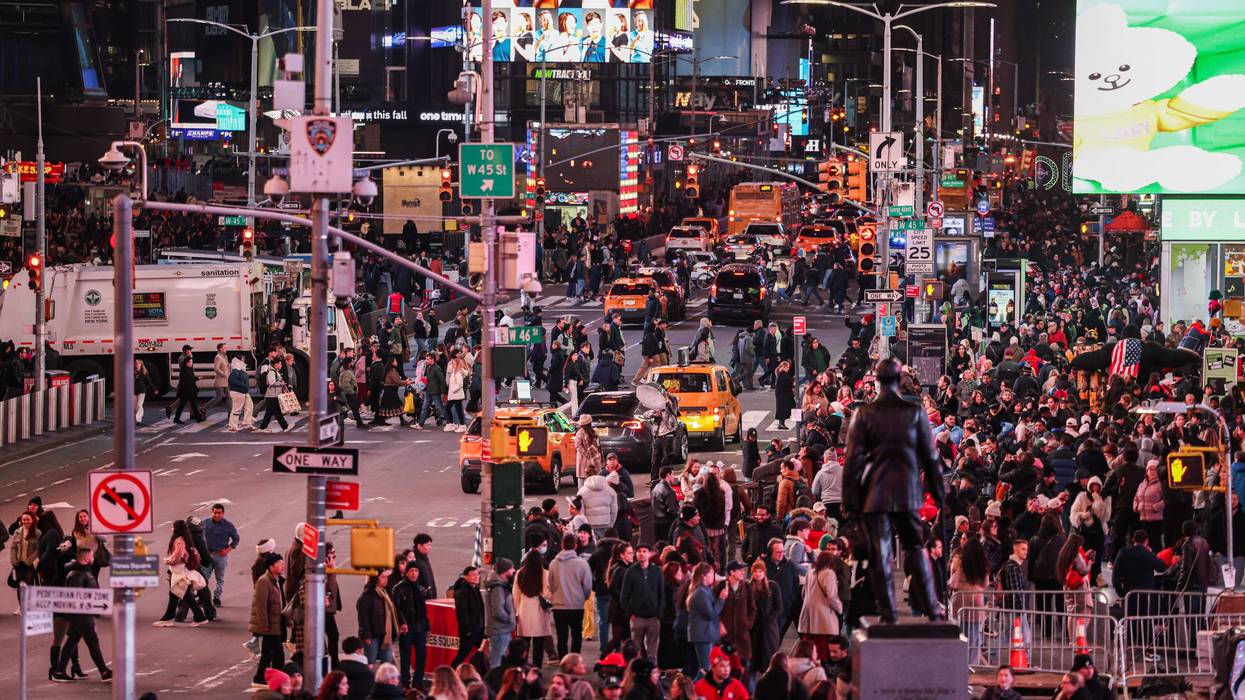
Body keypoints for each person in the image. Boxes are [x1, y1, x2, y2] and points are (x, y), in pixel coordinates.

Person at [842, 358, 945, 623]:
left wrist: (850, 504)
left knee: (881, 552)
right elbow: (931, 456)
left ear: (877, 381)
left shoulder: (864, 414)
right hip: (907, 489)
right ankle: (932, 608)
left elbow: (852, 463)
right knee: (916, 548)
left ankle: (888, 613)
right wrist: (939, 492)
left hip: (875, 491)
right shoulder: (914, 412)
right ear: (900, 380)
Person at [549, 533, 593, 658]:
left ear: (562, 545)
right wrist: (583, 597)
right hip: (577, 605)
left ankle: (563, 660)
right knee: (576, 635)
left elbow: (551, 584)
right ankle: (575, 660)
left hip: (559, 605)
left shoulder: (553, 564)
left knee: (561, 637)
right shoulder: (582, 564)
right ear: (575, 546)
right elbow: (588, 586)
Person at [620, 543, 665, 661]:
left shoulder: (657, 571)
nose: (641, 554)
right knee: (636, 650)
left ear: (649, 554)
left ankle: (652, 669)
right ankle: (636, 669)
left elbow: (661, 594)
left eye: (644, 551)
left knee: (652, 650)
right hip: (637, 617)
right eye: (639, 551)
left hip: (653, 617)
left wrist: (659, 614)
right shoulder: (630, 572)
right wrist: (630, 614)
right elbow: (624, 596)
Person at [249, 553, 286, 688]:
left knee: (269, 654)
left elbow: (282, 602)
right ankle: (272, 679)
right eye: (279, 563)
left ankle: (262, 678)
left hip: (276, 623)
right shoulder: (264, 581)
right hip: (270, 625)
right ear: (271, 566)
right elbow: (261, 606)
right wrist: (265, 625)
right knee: (277, 654)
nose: (282, 565)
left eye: (282, 562)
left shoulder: (278, 580)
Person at [798, 551, 843, 661]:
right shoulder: (829, 573)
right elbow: (831, 596)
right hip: (823, 618)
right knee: (822, 651)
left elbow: (803, 593)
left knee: (810, 651)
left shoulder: (810, 572)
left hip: (808, 616)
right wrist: (840, 608)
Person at [392, 562, 430, 690]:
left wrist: (427, 627)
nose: (414, 574)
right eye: (411, 571)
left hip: (419, 628)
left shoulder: (420, 588)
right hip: (406, 629)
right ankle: (405, 682)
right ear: (406, 572)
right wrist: (402, 622)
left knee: (422, 655)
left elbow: (423, 610)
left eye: (416, 571)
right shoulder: (398, 588)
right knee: (405, 657)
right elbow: (396, 609)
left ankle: (418, 681)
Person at [687, 562, 728, 678]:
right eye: (711, 574)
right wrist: (721, 599)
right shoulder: (701, 592)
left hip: (706, 634)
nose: (713, 576)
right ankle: (692, 688)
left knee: (705, 669)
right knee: (706, 669)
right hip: (702, 635)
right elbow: (711, 614)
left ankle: (692, 688)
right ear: (703, 576)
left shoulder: (706, 589)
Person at [514, 550, 552, 666]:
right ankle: (537, 668)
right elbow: (547, 594)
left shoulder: (520, 573)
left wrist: (516, 611)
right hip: (539, 612)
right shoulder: (545, 574)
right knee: (538, 645)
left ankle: (523, 667)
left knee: (524, 644)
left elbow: (515, 595)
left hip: (524, 611)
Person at [357, 569, 400, 664]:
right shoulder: (367, 595)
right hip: (372, 635)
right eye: (383, 577)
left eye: (387, 577)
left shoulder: (385, 592)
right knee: (370, 662)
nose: (386, 579)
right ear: (376, 579)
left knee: (387, 661)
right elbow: (363, 617)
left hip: (386, 634)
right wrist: (366, 635)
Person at [484, 558, 518, 669]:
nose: (514, 570)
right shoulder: (498, 588)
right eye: (511, 568)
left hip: (502, 630)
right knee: (496, 663)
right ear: (505, 571)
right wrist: (509, 619)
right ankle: (494, 680)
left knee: (500, 662)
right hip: (499, 632)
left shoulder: (499, 585)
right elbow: (498, 611)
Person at [451, 567, 486, 666]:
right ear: (466, 576)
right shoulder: (462, 592)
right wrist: (468, 631)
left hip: (478, 629)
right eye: (473, 575)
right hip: (469, 632)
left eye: (477, 575)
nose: (476, 577)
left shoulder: (475, 589)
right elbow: (462, 614)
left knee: (483, 654)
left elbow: (481, 610)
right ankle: (452, 671)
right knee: (462, 655)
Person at [167, 345, 205, 423]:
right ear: (186, 351)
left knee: (186, 404)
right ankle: (196, 417)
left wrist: (197, 378)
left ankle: (179, 417)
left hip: (188, 388)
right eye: (189, 350)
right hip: (186, 389)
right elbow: (186, 379)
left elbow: (191, 376)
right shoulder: (183, 365)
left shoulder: (188, 366)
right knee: (190, 403)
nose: (191, 363)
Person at [259, 357, 291, 431]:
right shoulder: (271, 372)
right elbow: (272, 382)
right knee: (277, 412)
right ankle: (285, 426)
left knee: (269, 413)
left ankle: (263, 427)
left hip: (273, 395)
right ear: (276, 364)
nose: (281, 365)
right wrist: (281, 383)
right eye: (280, 364)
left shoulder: (275, 371)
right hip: (272, 395)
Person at [574, 414, 603, 486]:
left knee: (594, 483)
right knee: (582, 483)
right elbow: (578, 446)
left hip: (594, 460)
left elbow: (598, 446)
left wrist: (599, 456)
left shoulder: (593, 432)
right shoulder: (580, 433)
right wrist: (586, 454)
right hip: (583, 460)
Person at [227, 357, 255, 431]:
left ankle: (247, 423)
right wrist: (244, 385)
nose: (243, 361)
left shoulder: (241, 370)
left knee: (249, 406)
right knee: (236, 409)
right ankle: (232, 426)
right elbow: (232, 380)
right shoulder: (235, 371)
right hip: (238, 392)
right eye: (242, 360)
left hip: (244, 392)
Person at [774, 360, 795, 430]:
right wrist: (792, 381)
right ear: (783, 367)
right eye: (787, 367)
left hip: (784, 394)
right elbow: (788, 382)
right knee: (784, 409)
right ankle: (781, 424)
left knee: (785, 409)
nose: (788, 369)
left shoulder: (782, 374)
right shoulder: (782, 374)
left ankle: (781, 423)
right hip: (783, 395)